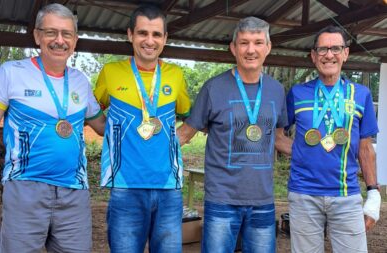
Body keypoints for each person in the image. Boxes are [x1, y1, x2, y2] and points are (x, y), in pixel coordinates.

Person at [0, 3, 105, 252]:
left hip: (74, 193)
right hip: (25, 188)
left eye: (66, 34)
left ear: (75, 41)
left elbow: (102, 127)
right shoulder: (11, 73)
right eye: (51, 32)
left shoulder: (80, 82)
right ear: (37, 35)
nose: (59, 40)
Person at [178, 17, 291, 253]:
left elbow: (279, 139)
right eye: (244, 43)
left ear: (268, 48)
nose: (251, 50)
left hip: (263, 200)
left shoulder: (276, 90)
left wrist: (317, 152)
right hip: (222, 199)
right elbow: (185, 134)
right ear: (233, 48)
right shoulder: (213, 87)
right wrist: (145, 149)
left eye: (258, 42)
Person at [94, 4, 191, 253]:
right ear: (130, 35)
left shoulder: (176, 75)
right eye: (143, 33)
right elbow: (92, 115)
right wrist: (113, 136)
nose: (150, 41)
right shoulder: (110, 72)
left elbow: (190, 117)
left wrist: (176, 138)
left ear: (165, 38)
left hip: (169, 189)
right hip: (126, 187)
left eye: (156, 34)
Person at [286, 25, 381, 252]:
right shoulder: (297, 93)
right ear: (313, 55)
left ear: (345, 53)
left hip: (346, 195)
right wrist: (303, 150)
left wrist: (374, 192)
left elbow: (365, 148)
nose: (329, 55)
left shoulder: (361, 94)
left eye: (336, 48)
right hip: (303, 193)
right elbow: (278, 136)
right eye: (322, 49)